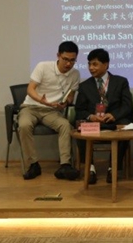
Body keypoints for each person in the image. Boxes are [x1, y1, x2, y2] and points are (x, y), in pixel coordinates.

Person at [18, 41, 80, 181]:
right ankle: (33, 165)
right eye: (65, 59)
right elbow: (30, 89)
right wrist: (42, 100)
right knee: (24, 125)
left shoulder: (75, 74)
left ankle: (65, 165)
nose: (68, 64)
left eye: (72, 60)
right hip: (31, 107)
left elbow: (71, 96)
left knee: (65, 125)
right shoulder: (43, 66)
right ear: (58, 55)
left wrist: (65, 103)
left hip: (52, 111)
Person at [74, 48, 133, 184]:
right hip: (94, 123)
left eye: (95, 64)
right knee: (80, 126)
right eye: (89, 64)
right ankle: (90, 169)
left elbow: (127, 106)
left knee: (125, 126)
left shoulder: (121, 82)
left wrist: (114, 115)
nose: (91, 68)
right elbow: (79, 110)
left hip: (114, 122)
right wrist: (90, 116)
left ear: (106, 64)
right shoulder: (84, 86)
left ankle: (113, 168)